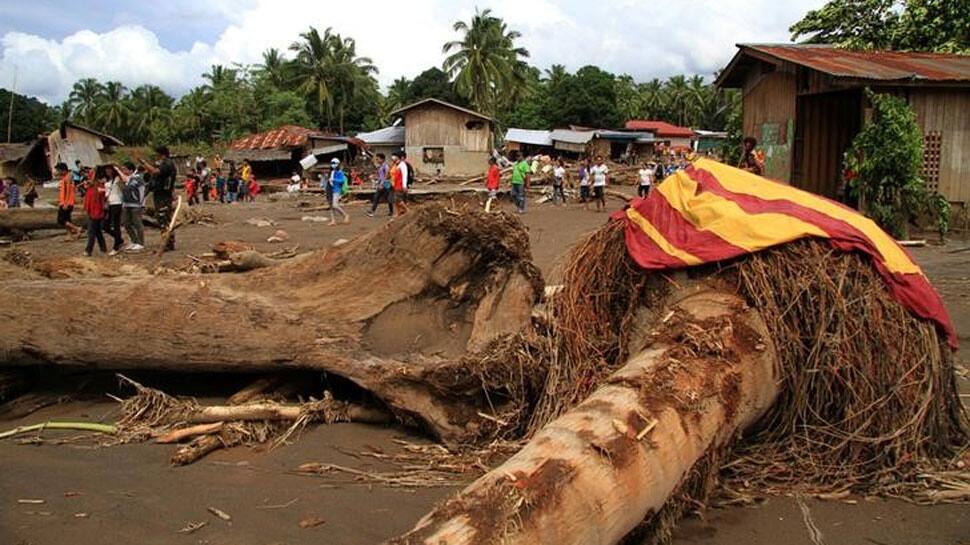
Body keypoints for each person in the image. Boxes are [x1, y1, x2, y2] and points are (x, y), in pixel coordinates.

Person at [137, 146, 177, 251]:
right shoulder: (163, 164)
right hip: (159, 194)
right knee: (162, 218)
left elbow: (155, 172)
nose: (156, 156)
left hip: (164, 195)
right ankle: (168, 241)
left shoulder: (168, 164)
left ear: (162, 154)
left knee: (163, 218)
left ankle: (167, 242)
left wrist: (144, 163)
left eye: (157, 154)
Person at [118, 162, 146, 252]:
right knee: (126, 223)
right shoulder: (127, 180)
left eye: (125, 169)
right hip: (127, 205)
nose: (124, 171)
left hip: (136, 205)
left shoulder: (138, 179)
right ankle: (134, 241)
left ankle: (141, 243)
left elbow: (142, 192)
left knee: (137, 224)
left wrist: (142, 204)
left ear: (130, 170)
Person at [82, 176, 108, 256]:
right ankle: (103, 248)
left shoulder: (99, 188)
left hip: (96, 213)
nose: (87, 181)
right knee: (97, 232)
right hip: (92, 212)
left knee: (91, 232)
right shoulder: (91, 188)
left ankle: (88, 250)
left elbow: (103, 196)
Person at [56, 163, 82, 239]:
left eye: (59, 170)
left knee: (61, 220)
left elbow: (68, 192)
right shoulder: (66, 177)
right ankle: (69, 235)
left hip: (66, 202)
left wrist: (65, 203)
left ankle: (77, 228)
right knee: (67, 219)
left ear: (63, 170)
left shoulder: (68, 178)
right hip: (65, 201)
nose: (58, 172)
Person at [104, 166, 125, 254]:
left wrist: (117, 169)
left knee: (115, 225)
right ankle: (119, 239)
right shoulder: (107, 181)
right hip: (110, 204)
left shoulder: (117, 179)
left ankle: (117, 246)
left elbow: (123, 180)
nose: (107, 172)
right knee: (105, 225)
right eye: (106, 170)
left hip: (117, 203)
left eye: (109, 170)